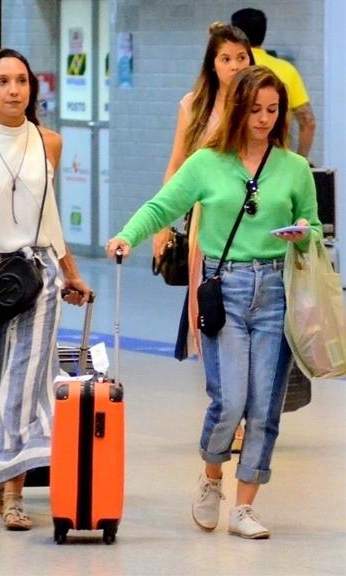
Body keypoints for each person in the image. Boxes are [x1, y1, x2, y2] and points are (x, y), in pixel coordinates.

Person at [107, 65, 322, 539]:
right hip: (225, 291)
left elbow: (314, 225)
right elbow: (163, 206)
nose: (264, 120)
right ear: (238, 109)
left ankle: (245, 506)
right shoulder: (207, 162)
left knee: (265, 406)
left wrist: (305, 234)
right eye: (255, 110)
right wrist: (128, 235)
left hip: (276, 291)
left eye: (273, 111)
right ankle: (210, 476)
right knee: (229, 401)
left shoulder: (294, 168)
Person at [0, 48, 91, 531]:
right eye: (3, 81)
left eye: (21, 81)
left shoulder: (49, 142)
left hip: (37, 274)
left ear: (32, 88)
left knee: (24, 385)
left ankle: (13, 495)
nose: (13, 90)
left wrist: (69, 270)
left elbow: (49, 215)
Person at [153, 23, 254, 361]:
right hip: (207, 219)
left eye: (241, 58)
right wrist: (161, 226)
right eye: (226, 58)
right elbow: (176, 167)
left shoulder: (261, 104)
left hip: (253, 215)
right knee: (210, 303)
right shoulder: (194, 105)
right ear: (213, 64)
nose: (235, 66)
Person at [231, 7, 316, 159]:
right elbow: (308, 122)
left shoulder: (231, 70)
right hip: (277, 159)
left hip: (234, 157)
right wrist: (301, 161)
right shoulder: (287, 70)